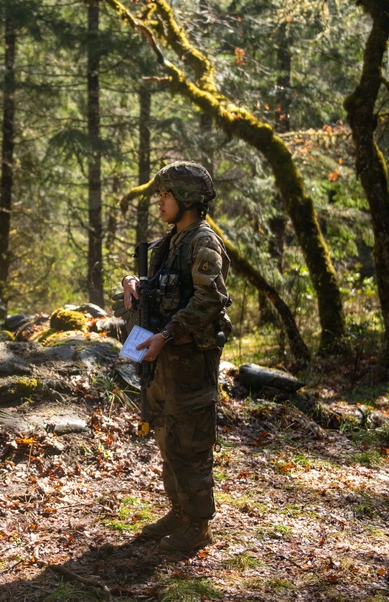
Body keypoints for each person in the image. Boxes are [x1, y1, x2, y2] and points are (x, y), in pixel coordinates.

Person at [121, 161, 231, 553]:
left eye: (165, 195)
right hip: (163, 361)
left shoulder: (204, 242)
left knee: (191, 443)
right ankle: (180, 511)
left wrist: (167, 334)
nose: (159, 202)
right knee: (167, 436)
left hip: (188, 362)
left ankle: (199, 524)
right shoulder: (170, 242)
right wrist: (137, 283)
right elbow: (167, 289)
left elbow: (209, 300)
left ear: (186, 198)